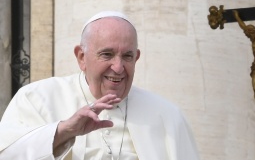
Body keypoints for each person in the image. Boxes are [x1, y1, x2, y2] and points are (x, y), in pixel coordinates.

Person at [0, 11, 200, 160]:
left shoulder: (167, 115)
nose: (118, 67)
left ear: (136, 58)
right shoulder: (36, 98)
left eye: (127, 56)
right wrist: (64, 132)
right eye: (107, 54)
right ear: (81, 57)